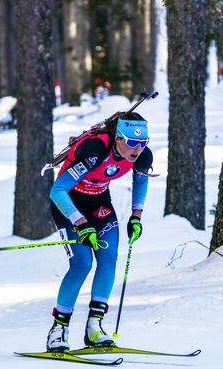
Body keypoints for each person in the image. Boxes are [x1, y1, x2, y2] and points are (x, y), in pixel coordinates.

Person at [46, 111, 153, 352]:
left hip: (99, 204)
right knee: (82, 264)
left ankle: (95, 327)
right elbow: (57, 190)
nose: (137, 149)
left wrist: (136, 218)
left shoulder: (142, 156)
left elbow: (140, 183)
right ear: (117, 138)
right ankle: (58, 329)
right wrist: (81, 223)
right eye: (132, 142)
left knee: (108, 259)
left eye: (142, 142)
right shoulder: (95, 150)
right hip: (68, 206)